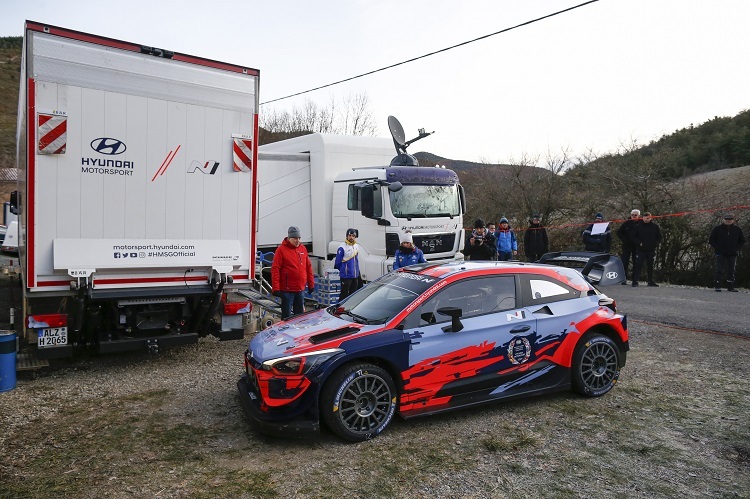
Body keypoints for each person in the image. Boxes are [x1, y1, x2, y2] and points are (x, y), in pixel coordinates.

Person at [271, 226, 315, 319]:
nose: (297, 240)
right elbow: (275, 269)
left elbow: (308, 267)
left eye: (299, 238)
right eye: (295, 238)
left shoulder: (303, 249)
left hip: (300, 290)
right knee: (287, 317)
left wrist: (311, 284)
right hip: (287, 291)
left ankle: (298, 333)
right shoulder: (281, 250)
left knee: (299, 317)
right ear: (289, 238)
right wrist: (276, 288)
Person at [708, 214, 745, 292]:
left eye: (730, 220)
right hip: (720, 253)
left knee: (731, 270)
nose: (728, 221)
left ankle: (730, 287)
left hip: (732, 253)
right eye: (726, 220)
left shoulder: (737, 229)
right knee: (719, 269)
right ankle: (717, 286)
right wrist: (717, 247)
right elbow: (711, 240)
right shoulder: (717, 228)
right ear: (723, 220)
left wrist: (736, 248)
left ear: (733, 221)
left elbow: (742, 240)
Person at [631, 212, 662, 287]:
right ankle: (635, 281)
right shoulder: (638, 226)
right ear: (643, 218)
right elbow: (632, 237)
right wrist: (639, 243)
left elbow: (659, 237)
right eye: (645, 218)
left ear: (651, 218)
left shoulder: (655, 227)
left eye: (648, 218)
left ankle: (650, 281)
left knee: (650, 266)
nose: (646, 220)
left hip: (651, 249)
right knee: (638, 265)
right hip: (640, 250)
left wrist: (655, 243)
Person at [334, 228, 362, 300]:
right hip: (346, 276)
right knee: (344, 295)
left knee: (353, 296)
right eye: (350, 235)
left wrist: (358, 273)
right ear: (347, 236)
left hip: (355, 275)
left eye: (353, 236)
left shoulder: (356, 246)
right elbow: (337, 263)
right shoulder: (342, 247)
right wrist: (344, 271)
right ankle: (340, 309)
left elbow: (356, 260)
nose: (351, 237)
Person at [617, 209, 641, 284]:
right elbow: (619, 232)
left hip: (636, 246)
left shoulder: (641, 224)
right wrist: (624, 240)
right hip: (627, 245)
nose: (633, 216)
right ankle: (623, 279)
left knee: (636, 263)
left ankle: (635, 279)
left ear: (638, 216)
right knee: (624, 262)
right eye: (632, 215)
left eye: (635, 215)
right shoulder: (626, 223)